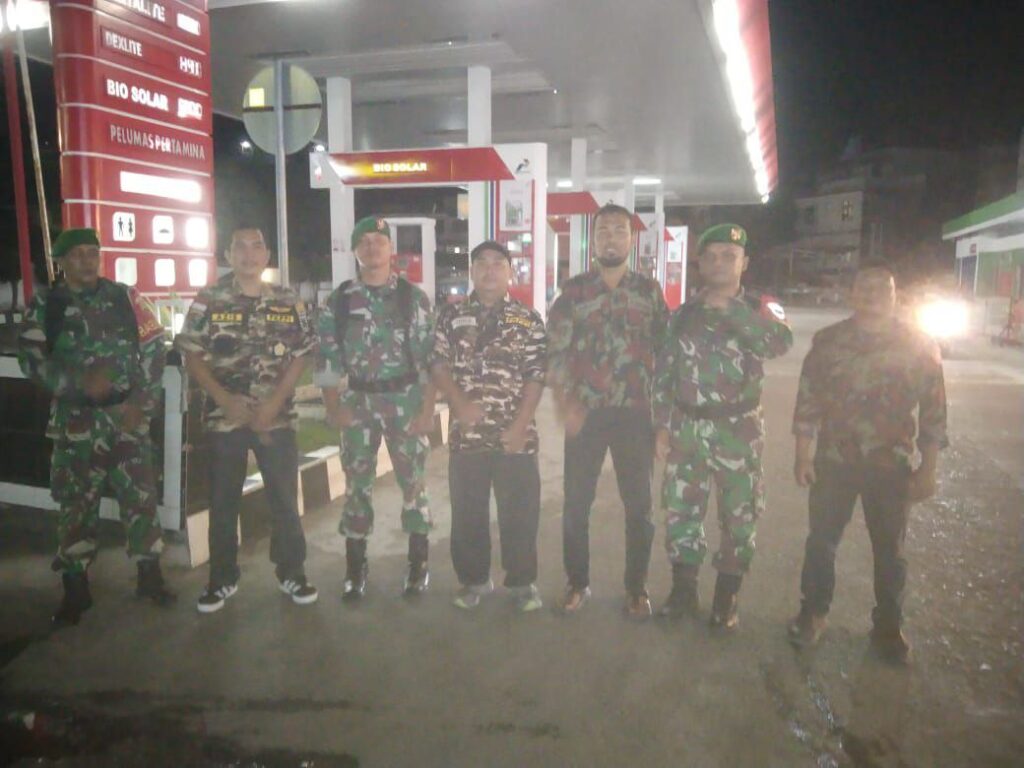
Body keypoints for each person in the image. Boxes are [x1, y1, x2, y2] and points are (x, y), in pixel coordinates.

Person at [788, 262, 947, 664]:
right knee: (821, 542)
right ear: (851, 294)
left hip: (890, 465)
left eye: (882, 287)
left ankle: (888, 627)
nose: (872, 294)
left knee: (890, 550)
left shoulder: (918, 344)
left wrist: (928, 469)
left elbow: (934, 413)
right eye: (864, 287)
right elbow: (808, 399)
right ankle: (813, 613)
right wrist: (803, 453)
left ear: (895, 296)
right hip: (834, 461)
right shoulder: (829, 341)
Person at [18, 228, 175, 627]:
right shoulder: (46, 306)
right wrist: (77, 384)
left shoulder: (126, 297)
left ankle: (150, 576)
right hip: (76, 424)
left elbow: (154, 348)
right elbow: (31, 360)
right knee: (75, 505)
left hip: (126, 419)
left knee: (141, 499)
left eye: (93, 252)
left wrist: (141, 404)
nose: (88, 261)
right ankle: (75, 589)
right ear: (61, 262)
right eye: (78, 254)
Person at [653, 223, 792, 631]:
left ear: (744, 263)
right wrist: (661, 426)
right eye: (711, 256)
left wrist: (731, 309)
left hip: (738, 430)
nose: (718, 263)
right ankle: (683, 591)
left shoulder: (761, 306)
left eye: (728, 256)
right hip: (687, 428)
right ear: (699, 263)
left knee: (739, 515)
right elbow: (664, 372)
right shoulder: (683, 314)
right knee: (681, 511)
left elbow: (778, 343)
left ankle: (726, 598)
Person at [176, 226, 318, 613]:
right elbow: (191, 355)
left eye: (257, 247)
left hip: (277, 419)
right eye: (240, 247)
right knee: (223, 502)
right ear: (228, 255)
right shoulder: (209, 299)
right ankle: (221, 578)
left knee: (284, 499)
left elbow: (302, 354)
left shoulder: (287, 300)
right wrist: (225, 400)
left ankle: (292, 572)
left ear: (267, 255)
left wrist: (273, 403)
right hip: (225, 420)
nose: (249, 254)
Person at [546, 203, 669, 618]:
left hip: (635, 414)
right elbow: (556, 352)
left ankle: (636, 588)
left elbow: (666, 356)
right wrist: (565, 404)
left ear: (631, 239)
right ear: (593, 240)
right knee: (576, 505)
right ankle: (577, 582)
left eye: (619, 230)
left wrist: (663, 421)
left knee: (640, 508)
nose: (610, 237)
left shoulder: (649, 292)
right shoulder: (574, 292)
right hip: (587, 413)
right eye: (603, 231)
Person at [316, 216, 436, 599]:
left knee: (413, 483)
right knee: (356, 484)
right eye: (364, 241)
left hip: (405, 401)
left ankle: (418, 564)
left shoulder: (412, 298)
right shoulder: (339, 301)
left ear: (390, 249)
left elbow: (430, 359)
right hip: (358, 404)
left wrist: (427, 410)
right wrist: (333, 408)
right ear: (355, 250)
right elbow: (327, 359)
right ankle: (356, 568)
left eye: (379, 241)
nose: (372, 247)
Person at [431, 240, 547, 612]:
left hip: (516, 437)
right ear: (472, 271)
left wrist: (520, 425)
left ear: (510, 272)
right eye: (482, 263)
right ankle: (474, 581)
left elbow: (536, 375)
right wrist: (459, 403)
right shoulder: (450, 317)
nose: (490, 270)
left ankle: (522, 583)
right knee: (468, 515)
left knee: (520, 514)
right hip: (467, 437)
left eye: (498, 263)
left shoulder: (527, 319)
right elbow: (437, 365)